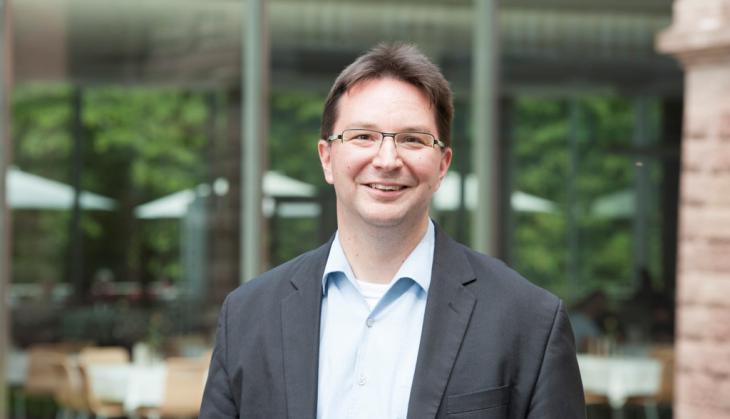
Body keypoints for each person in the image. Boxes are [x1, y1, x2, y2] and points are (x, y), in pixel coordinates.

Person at [200, 42, 585, 419]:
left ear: (442, 165)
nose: (387, 160)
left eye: (413, 140)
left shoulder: (529, 321)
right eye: (363, 136)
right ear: (327, 158)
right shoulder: (247, 316)